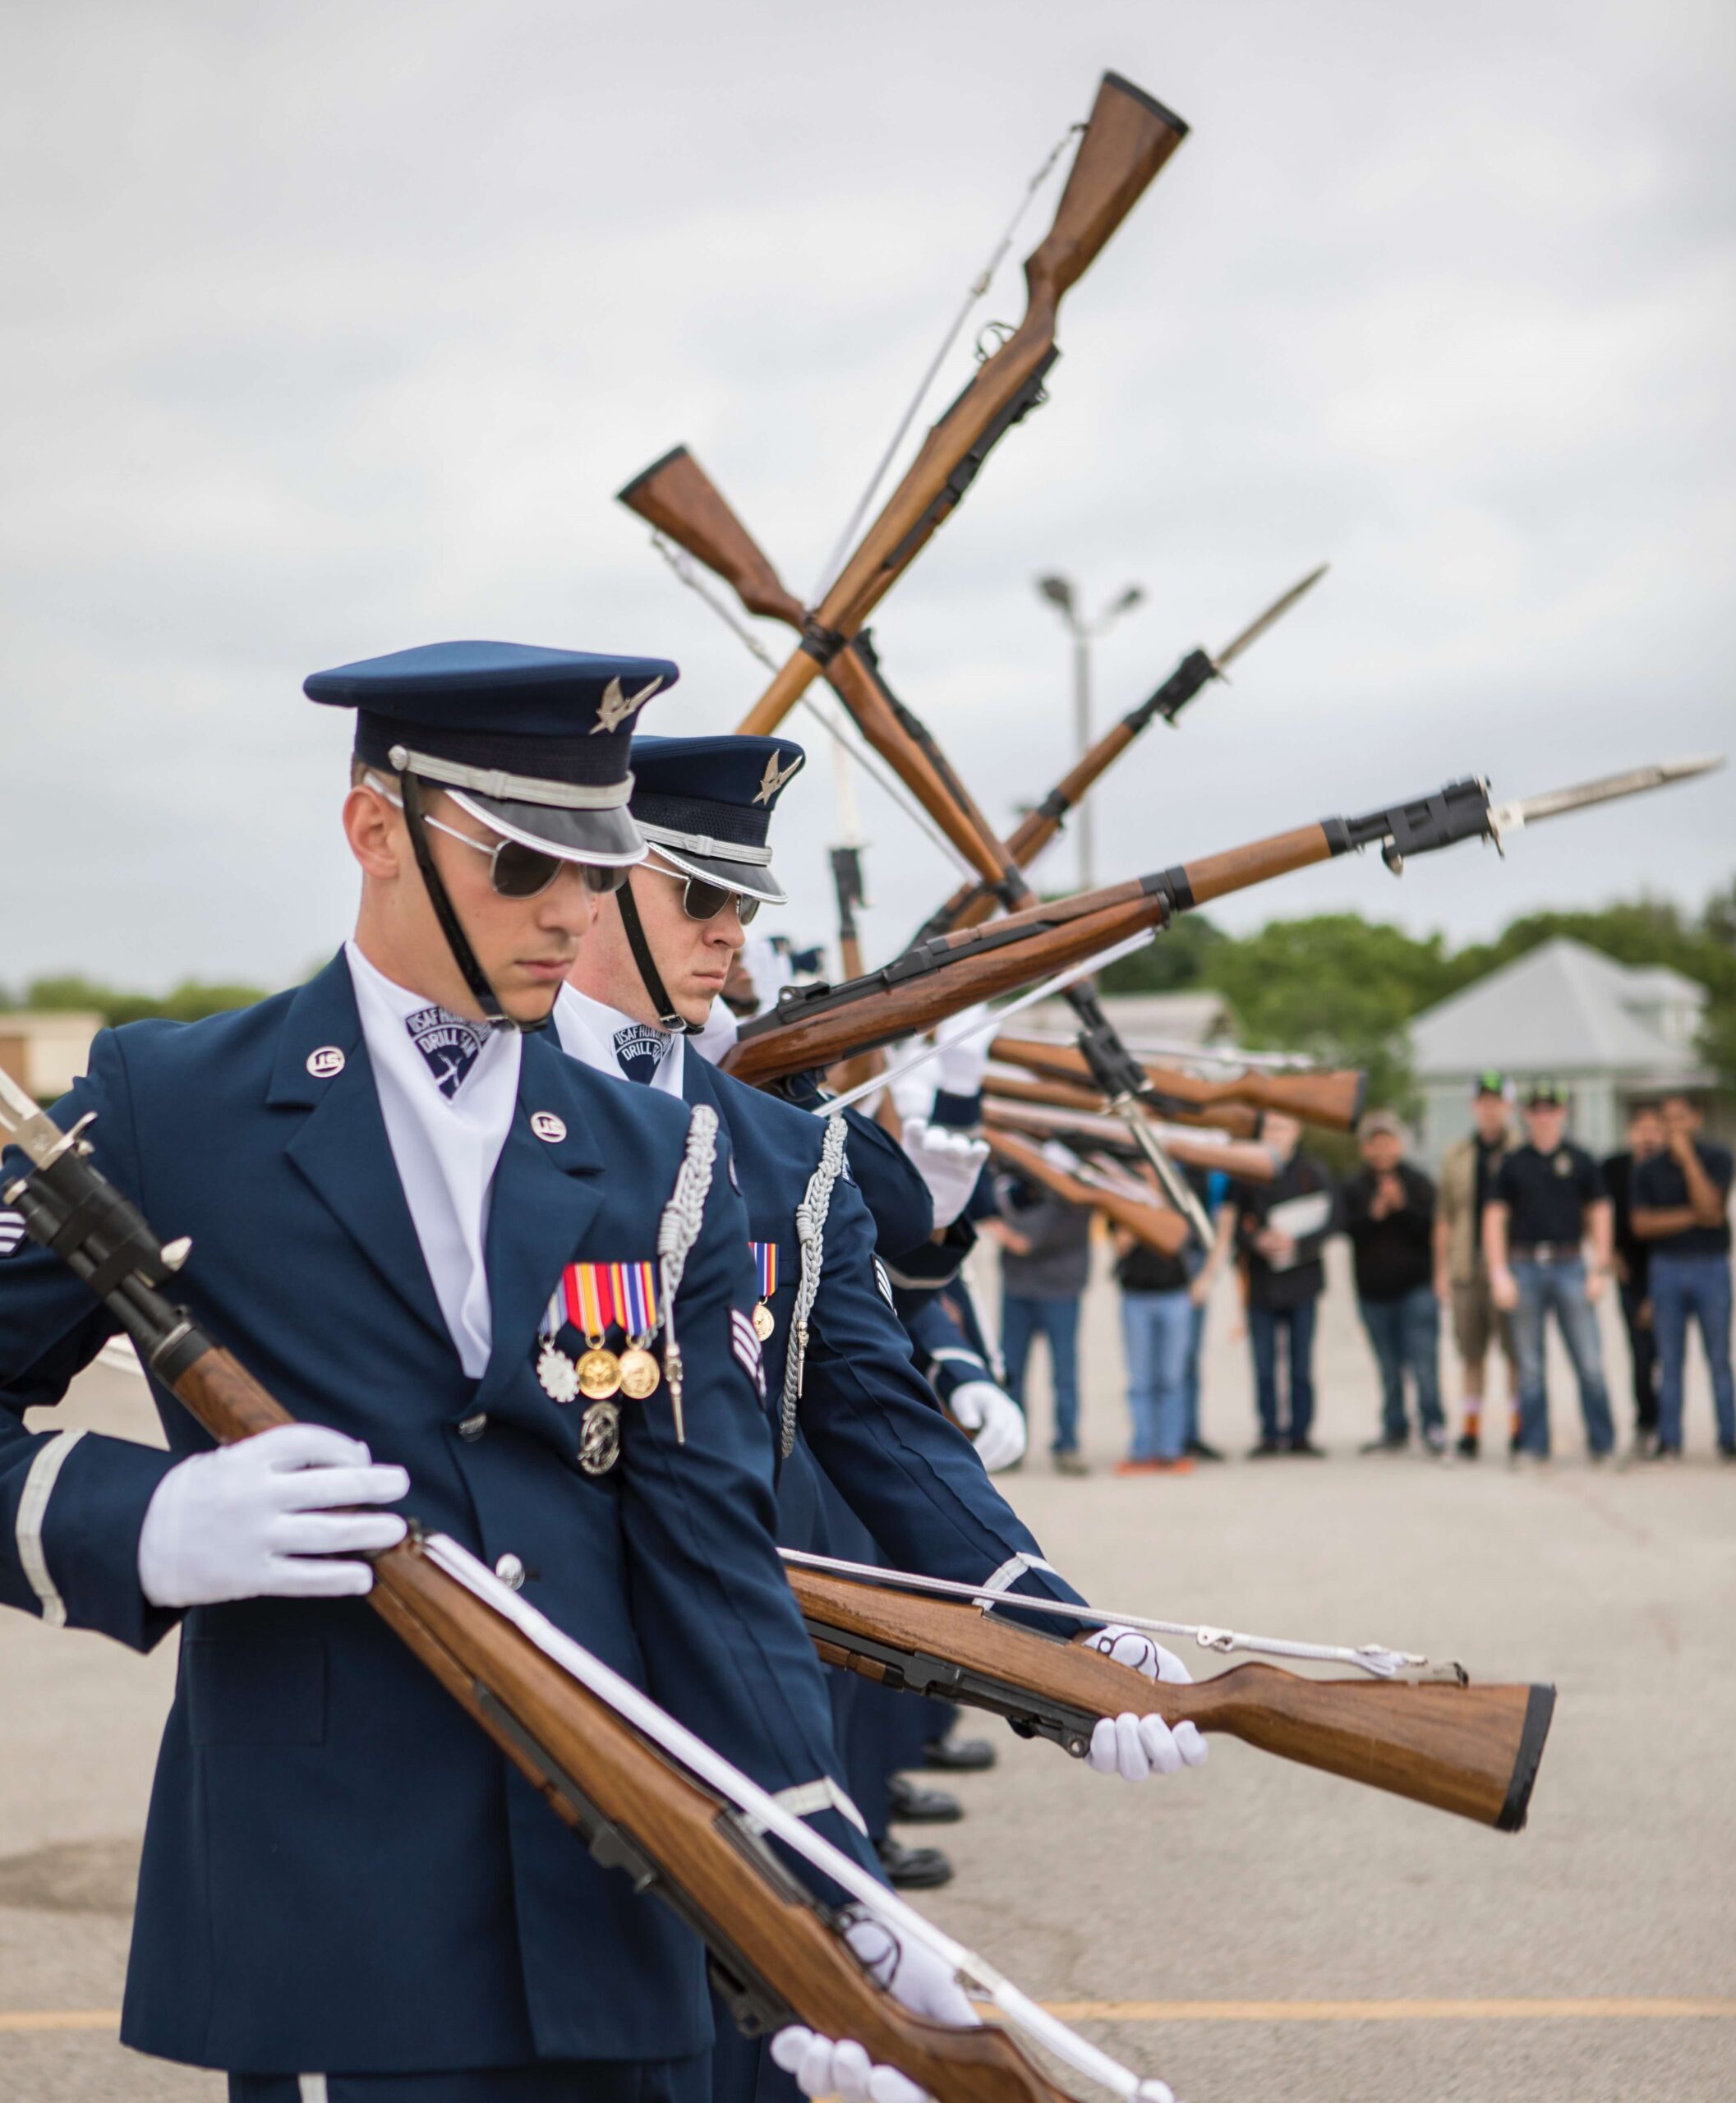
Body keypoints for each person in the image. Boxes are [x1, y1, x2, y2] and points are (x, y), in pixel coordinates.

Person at [0, 642, 904, 2101]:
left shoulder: (656, 1150)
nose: (570, 911)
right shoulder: (176, 1107)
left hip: (621, 1902)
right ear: (375, 832)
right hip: (335, 1920)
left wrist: (819, 1870)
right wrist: (142, 1521)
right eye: (523, 864)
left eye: (601, 869)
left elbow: (707, 1545)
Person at [548, 733, 1209, 2103]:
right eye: (697, 901)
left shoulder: (792, 1156)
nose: (728, 937)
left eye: (742, 909)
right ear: (602, 883)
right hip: (525, 1714)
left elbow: (883, 1426)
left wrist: (1056, 1635)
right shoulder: (473, 1101)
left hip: (743, 1721)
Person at [1485, 1081, 1616, 1462]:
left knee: (1589, 1362)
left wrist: (1600, 1267)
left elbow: (1600, 1212)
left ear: (1562, 1112)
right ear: (1526, 1115)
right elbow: (1494, 1218)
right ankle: (1534, 1445)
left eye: (1551, 1109)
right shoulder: (1513, 1163)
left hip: (1571, 1265)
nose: (1544, 1116)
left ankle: (1603, 1443)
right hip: (1525, 1266)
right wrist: (1498, 1272)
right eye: (1537, 1110)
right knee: (1530, 1367)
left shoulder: (1580, 1159)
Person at [1221, 1111, 1333, 1456]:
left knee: (1300, 1365)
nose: (1275, 1134)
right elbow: (1233, 1226)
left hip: (1302, 1282)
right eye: (1269, 1128)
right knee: (1264, 1365)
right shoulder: (1246, 1175)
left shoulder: (1313, 1172)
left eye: (1282, 1127)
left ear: (1297, 1131)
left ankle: (1300, 1433)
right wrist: (1257, 1241)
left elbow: (1333, 1219)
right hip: (1262, 1283)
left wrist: (1296, 1243)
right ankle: (1269, 1432)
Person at [1632, 1093, 1735, 1459]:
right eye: (1667, 1120)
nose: (1674, 1127)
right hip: (1667, 1269)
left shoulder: (1717, 1158)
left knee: (1719, 1358)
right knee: (1670, 1360)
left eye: (1680, 1119)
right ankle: (1669, 1438)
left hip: (1711, 1266)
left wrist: (1688, 1159)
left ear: (1695, 1119)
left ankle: (1729, 1437)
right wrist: (1694, 1217)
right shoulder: (1647, 1169)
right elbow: (1642, 1224)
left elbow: (1713, 1207)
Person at [1336, 1111, 1445, 1456]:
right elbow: (1347, 1230)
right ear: (1365, 1148)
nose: (1382, 1149)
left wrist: (1402, 1207)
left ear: (1399, 1144)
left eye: (1388, 1141)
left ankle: (1434, 1425)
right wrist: (1377, 1211)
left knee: (1423, 1361)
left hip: (1417, 1288)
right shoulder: (1354, 1187)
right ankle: (1394, 1426)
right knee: (1388, 1365)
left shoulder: (1418, 1182)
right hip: (1374, 1292)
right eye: (1375, 1142)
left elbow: (1431, 1228)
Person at [982, 1175, 1094, 1475]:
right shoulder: (1013, 1179)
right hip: (1019, 1289)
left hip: (1060, 1290)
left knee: (1064, 1374)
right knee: (1012, 1373)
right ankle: (1013, 1446)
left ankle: (1067, 1445)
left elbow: (1027, 1242)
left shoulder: (1074, 1183)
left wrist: (1000, 1228)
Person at [1433, 1073, 1519, 1460]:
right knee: (1471, 1352)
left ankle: (1519, 1428)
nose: (1490, 1109)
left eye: (1497, 1101)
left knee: (1516, 1353)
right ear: (1473, 1107)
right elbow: (1445, 1216)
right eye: (1483, 1102)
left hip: (1512, 1265)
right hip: (1467, 1264)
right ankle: (1470, 1430)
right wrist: (1441, 1270)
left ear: (1508, 1106)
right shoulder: (1457, 1154)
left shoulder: (1522, 1150)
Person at [1109, 1162, 1196, 1476]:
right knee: (1140, 1379)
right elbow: (1119, 1246)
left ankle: (1171, 1450)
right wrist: (1139, 1209)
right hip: (1136, 1297)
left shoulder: (1181, 1202)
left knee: (1172, 1377)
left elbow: (1187, 1238)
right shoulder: (1122, 1201)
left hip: (1175, 1295)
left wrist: (1161, 1204)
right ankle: (1142, 1449)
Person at [1603, 1101, 1665, 1459]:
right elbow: (1598, 1212)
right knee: (1640, 1355)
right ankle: (1646, 1422)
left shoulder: (1669, 1168)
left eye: (1655, 1129)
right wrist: (1609, 1254)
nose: (1648, 1136)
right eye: (1642, 1129)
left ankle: (1667, 1428)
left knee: (1666, 1355)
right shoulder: (1614, 1167)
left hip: (1667, 1271)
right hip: (1630, 1271)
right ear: (1630, 1133)